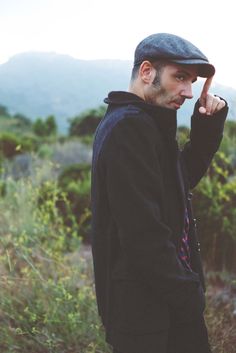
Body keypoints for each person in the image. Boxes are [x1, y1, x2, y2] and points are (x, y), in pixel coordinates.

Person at [91, 33, 228, 353]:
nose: (189, 92)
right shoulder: (129, 127)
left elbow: (175, 186)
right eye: (180, 77)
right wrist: (188, 294)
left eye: (192, 81)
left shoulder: (142, 122)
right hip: (145, 312)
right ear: (147, 72)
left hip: (159, 301)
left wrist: (206, 129)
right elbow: (143, 234)